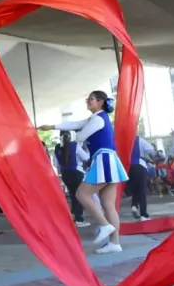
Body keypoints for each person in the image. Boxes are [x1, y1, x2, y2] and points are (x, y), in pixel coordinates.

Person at [39, 90, 128, 254]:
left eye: (91, 99)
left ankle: (104, 225)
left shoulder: (97, 120)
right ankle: (114, 242)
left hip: (103, 160)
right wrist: (52, 126)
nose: (88, 101)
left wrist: (79, 132)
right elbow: (74, 124)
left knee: (82, 194)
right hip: (109, 160)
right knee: (108, 205)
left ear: (100, 102)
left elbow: (80, 137)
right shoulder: (97, 119)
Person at [52, 131, 91, 227]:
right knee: (79, 195)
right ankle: (79, 219)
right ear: (70, 136)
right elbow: (86, 157)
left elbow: (55, 164)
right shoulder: (75, 145)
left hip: (65, 174)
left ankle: (73, 216)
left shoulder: (57, 148)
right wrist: (86, 149)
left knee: (73, 195)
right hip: (76, 173)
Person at [128, 135, 156, 220]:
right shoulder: (138, 138)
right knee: (142, 190)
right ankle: (143, 214)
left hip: (128, 167)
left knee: (135, 188)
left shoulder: (122, 139)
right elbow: (150, 149)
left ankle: (134, 205)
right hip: (140, 165)